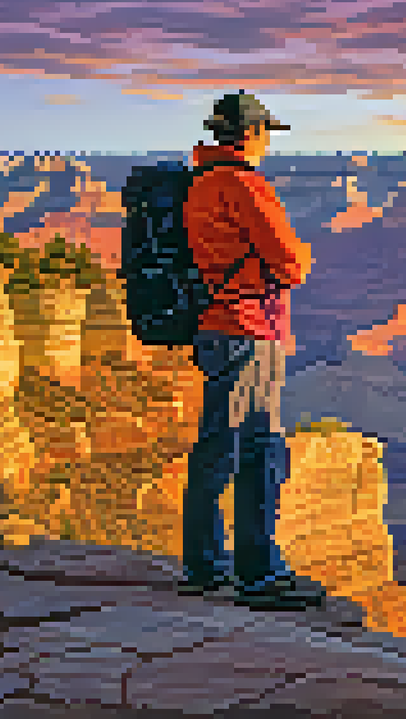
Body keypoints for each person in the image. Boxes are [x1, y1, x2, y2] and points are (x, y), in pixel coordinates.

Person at [174, 90, 324, 610]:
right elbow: (292, 265)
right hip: (248, 329)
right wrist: (301, 252)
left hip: (213, 327)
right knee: (257, 449)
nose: (267, 142)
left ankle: (204, 564)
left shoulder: (198, 183)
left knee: (217, 445)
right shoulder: (244, 185)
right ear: (252, 133)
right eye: (265, 133)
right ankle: (258, 576)